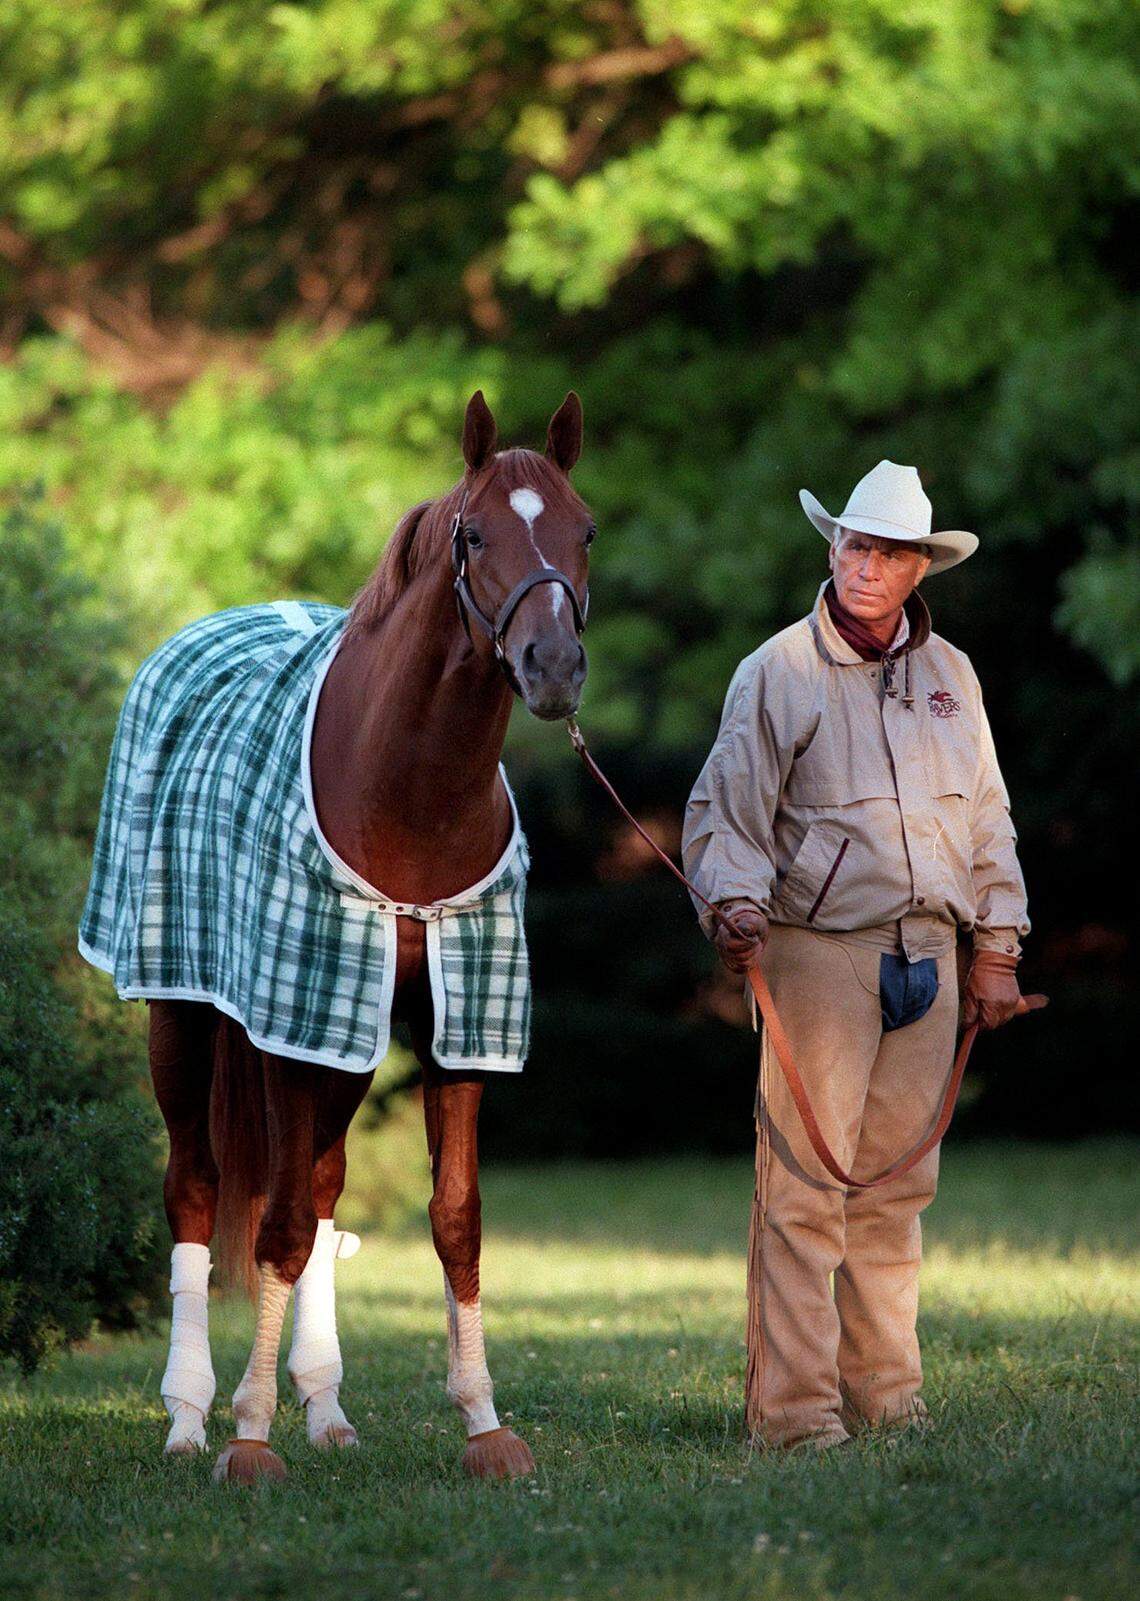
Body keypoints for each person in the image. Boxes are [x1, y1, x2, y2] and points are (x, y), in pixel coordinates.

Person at [682, 460, 1031, 1449]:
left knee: (896, 1187)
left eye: (888, 551)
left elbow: (989, 820)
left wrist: (996, 946)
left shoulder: (952, 675)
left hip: (932, 945)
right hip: (818, 953)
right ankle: (794, 1418)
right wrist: (735, 903)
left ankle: (886, 1396)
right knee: (802, 1189)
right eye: (853, 544)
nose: (866, 565)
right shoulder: (777, 670)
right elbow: (722, 811)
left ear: (921, 565)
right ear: (832, 548)